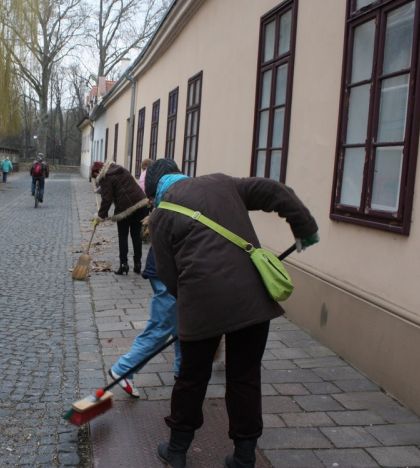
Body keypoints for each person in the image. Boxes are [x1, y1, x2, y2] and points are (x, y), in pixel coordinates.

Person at [145, 159, 319, 468]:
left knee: (191, 378)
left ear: (155, 192)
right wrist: (304, 227)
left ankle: (176, 451)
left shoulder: (160, 217)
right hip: (253, 300)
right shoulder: (223, 183)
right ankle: (243, 457)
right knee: (244, 377)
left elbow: (170, 280)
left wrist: (191, 307)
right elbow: (273, 190)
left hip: (202, 305)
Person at [108, 246, 180, 398]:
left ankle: (183, 370)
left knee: (181, 322)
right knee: (161, 326)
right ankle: (123, 369)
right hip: (170, 269)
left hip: (168, 265)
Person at [91, 161, 150, 275]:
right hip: (140, 202)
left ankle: (124, 265)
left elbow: (107, 199)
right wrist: (100, 189)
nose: (97, 178)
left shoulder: (105, 177)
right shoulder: (118, 169)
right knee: (136, 234)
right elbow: (116, 184)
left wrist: (100, 216)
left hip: (125, 207)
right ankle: (137, 264)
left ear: (98, 171)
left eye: (96, 176)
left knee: (123, 235)